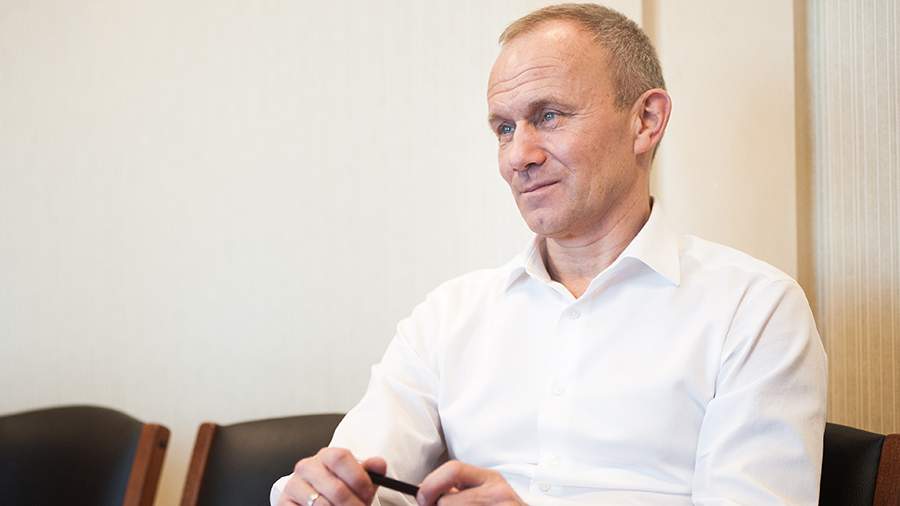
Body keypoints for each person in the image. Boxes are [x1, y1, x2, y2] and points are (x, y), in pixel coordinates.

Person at [272, 4, 827, 505]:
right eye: (504, 128)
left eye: (549, 116)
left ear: (645, 121)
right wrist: (323, 493)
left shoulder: (754, 309)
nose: (519, 155)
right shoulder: (446, 318)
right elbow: (352, 474)